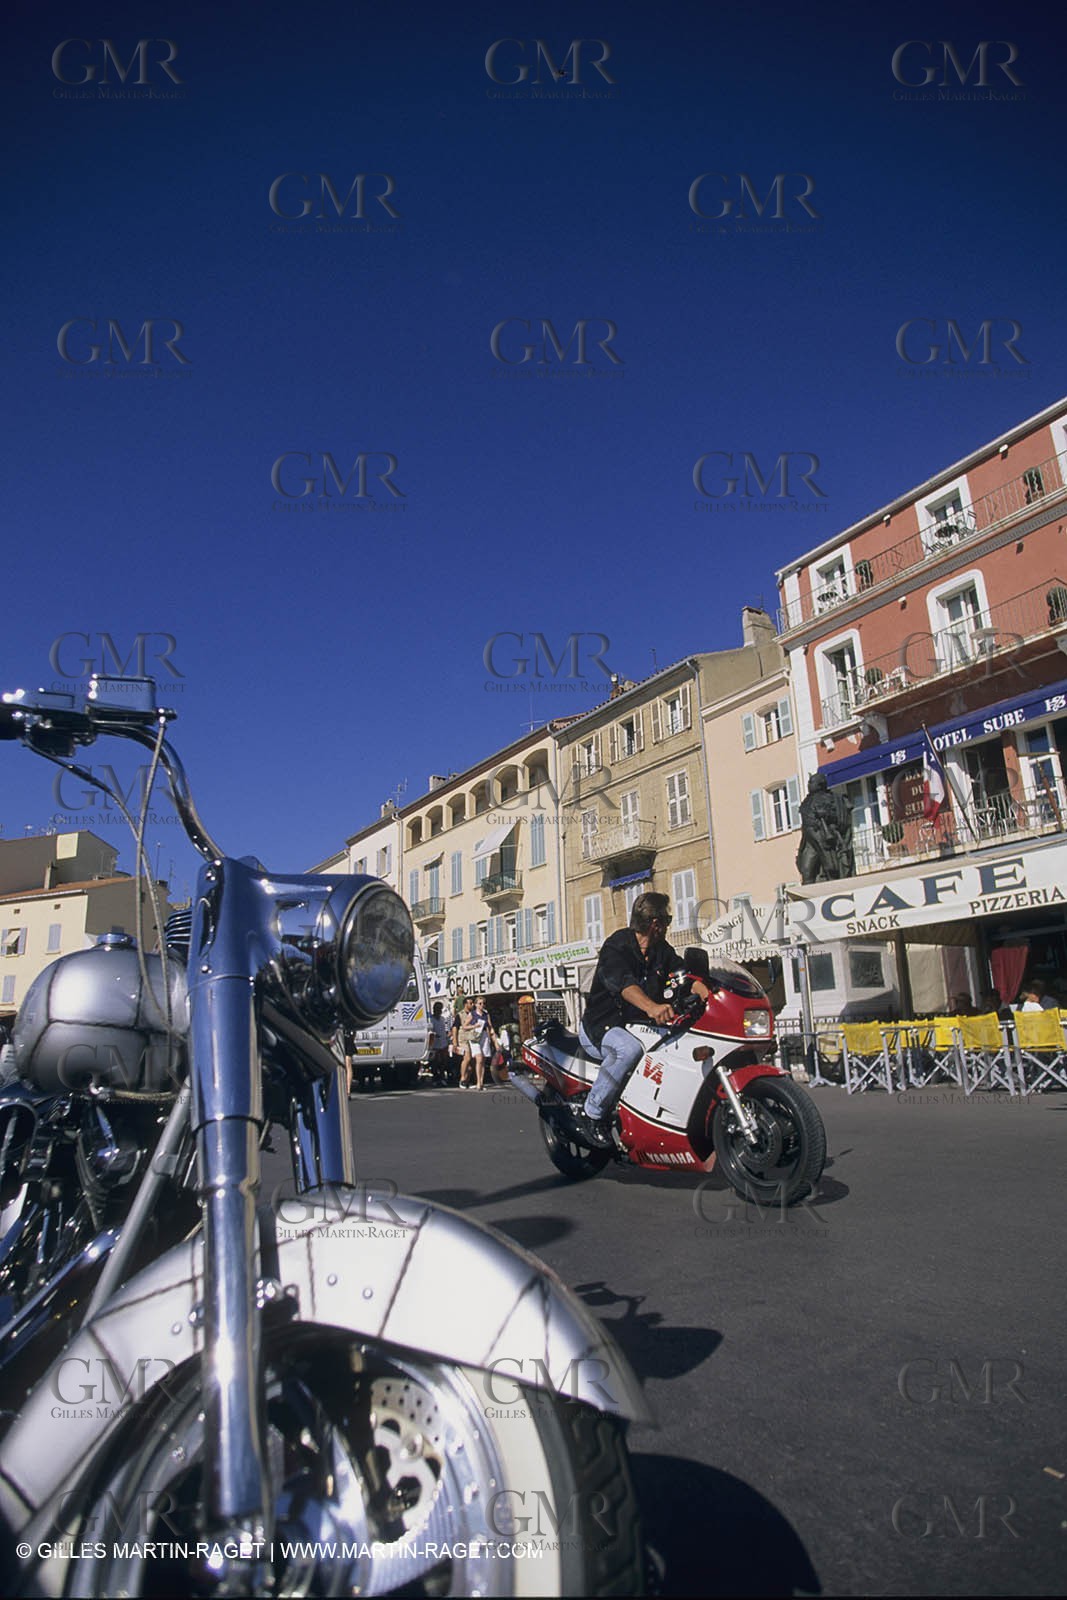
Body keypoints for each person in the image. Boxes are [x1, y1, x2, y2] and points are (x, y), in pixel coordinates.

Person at [576, 891, 710, 1148]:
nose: (668, 925)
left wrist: (706, 993)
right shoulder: (617, 946)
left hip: (641, 1027)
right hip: (603, 1026)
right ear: (655, 924)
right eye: (667, 920)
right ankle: (592, 1113)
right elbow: (623, 985)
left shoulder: (662, 951)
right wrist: (652, 1007)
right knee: (628, 1050)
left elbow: (681, 976)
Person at [426, 1001, 451, 1084]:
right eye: (437, 1009)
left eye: (440, 1009)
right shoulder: (430, 1020)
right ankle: (435, 1077)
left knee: (444, 1061)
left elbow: (446, 1030)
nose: (439, 1010)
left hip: (443, 1043)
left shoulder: (442, 1019)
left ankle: (442, 1077)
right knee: (435, 1061)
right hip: (434, 1044)